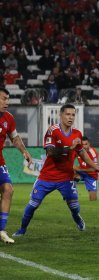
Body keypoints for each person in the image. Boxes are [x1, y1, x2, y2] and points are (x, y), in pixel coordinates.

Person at [13, 104, 99, 237]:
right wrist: (70, 148)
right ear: (61, 115)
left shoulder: (77, 134)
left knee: (74, 206)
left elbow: (82, 154)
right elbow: (51, 152)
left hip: (66, 177)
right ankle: (22, 230)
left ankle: (78, 219)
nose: (70, 117)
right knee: (33, 204)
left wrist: (97, 167)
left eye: (73, 115)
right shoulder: (53, 131)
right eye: (68, 114)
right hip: (47, 176)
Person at [0, 88, 32, 244]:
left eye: (8, 99)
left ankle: (2, 230)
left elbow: (15, 138)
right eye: (4, 99)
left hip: (0, 161)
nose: (7, 102)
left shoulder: (8, 118)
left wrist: (24, 152)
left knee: (8, 190)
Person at [73, 136, 99, 201]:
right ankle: (71, 195)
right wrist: (73, 167)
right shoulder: (77, 151)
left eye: (86, 144)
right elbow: (69, 162)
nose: (84, 146)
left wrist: (79, 169)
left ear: (89, 144)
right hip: (81, 173)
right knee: (70, 173)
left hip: (91, 175)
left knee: (93, 200)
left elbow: (94, 169)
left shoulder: (93, 153)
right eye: (83, 145)